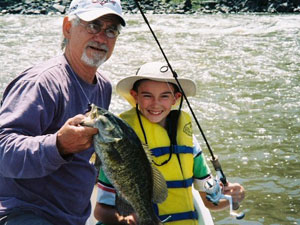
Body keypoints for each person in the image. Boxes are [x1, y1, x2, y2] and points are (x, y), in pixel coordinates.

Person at [0, 0, 126, 224]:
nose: (101, 37)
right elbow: (3, 151)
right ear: (68, 27)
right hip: (27, 212)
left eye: (111, 30)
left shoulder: (103, 86)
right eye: (93, 26)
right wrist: (59, 145)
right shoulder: (41, 83)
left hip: (73, 215)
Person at [93, 62, 245, 225]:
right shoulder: (121, 142)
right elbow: (100, 211)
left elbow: (209, 202)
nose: (155, 103)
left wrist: (234, 198)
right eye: (147, 95)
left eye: (164, 96)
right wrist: (126, 220)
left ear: (176, 98)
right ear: (135, 96)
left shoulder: (189, 143)